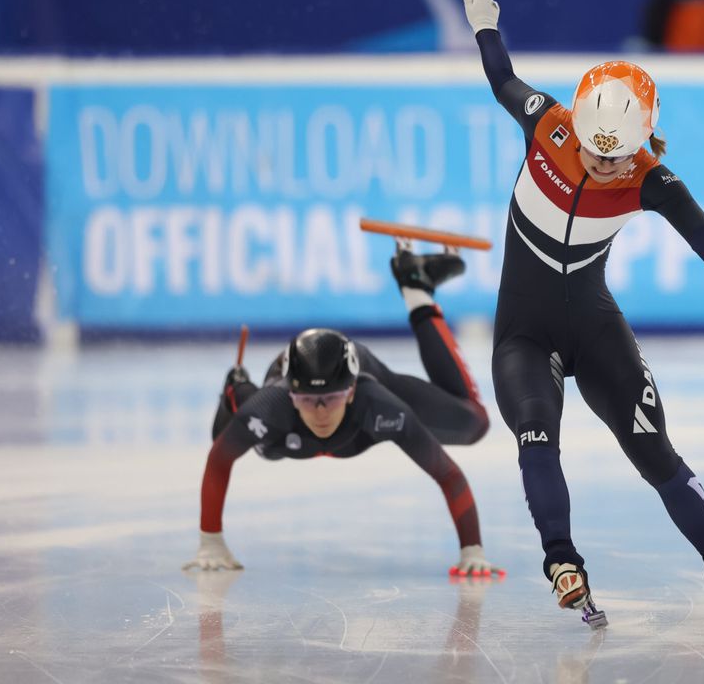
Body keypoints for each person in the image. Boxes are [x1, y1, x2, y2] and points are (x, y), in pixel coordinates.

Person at [461, 0, 704, 615]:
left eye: (619, 159)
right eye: (595, 153)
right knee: (536, 434)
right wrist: (486, 29)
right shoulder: (548, 122)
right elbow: (502, 79)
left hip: (594, 327)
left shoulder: (650, 178)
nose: (606, 168)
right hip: (524, 336)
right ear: (577, 128)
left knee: (654, 451)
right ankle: (562, 560)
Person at [183, 248, 503, 578]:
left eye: (332, 398)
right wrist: (211, 542)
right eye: (308, 400)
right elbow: (219, 457)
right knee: (253, 441)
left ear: (350, 393)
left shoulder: (378, 403)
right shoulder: (270, 407)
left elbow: (447, 474)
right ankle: (236, 387)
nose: (321, 412)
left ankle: (417, 289)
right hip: (279, 407)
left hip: (367, 370)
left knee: (474, 423)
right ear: (291, 395)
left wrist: (472, 550)